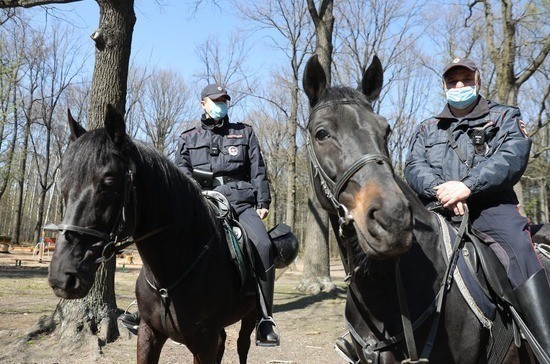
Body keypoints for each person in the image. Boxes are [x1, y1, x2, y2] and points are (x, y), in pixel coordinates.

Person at [404, 58, 550, 354]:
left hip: (491, 209)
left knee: (520, 251)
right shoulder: (426, 128)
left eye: (466, 79)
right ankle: (370, 340)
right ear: (444, 86)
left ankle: (544, 342)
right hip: (437, 209)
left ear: (478, 81)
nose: (459, 86)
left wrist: (467, 186)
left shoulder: (505, 116)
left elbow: (512, 156)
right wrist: (441, 191)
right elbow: (413, 165)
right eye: (453, 81)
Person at [120, 84, 280, 346]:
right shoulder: (188, 138)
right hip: (198, 205)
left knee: (263, 245)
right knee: (161, 241)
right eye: (216, 100)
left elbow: (258, 170)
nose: (222, 104)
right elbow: (179, 175)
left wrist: (263, 200)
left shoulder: (244, 133)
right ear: (203, 104)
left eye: (224, 100)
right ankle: (146, 311)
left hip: (239, 202)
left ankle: (264, 318)